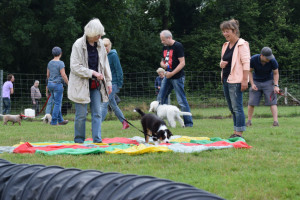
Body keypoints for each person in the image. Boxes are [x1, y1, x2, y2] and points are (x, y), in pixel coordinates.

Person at [68, 18, 112, 143]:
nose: (100, 37)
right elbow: (74, 66)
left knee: (97, 113)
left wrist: (108, 82)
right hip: (81, 85)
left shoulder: (100, 45)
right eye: (98, 34)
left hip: (96, 85)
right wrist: (92, 73)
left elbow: (105, 64)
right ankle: (79, 140)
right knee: (81, 115)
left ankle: (97, 140)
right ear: (91, 33)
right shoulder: (78, 44)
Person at [220, 19, 250, 138]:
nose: (225, 34)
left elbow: (246, 63)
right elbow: (224, 60)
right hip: (226, 80)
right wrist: (221, 64)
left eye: (227, 31)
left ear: (234, 31)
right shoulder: (226, 45)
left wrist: (244, 80)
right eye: (223, 31)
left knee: (237, 108)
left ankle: (239, 133)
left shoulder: (242, 44)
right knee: (232, 108)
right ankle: (235, 132)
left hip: (237, 81)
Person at [157, 30, 193, 127]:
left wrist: (172, 73)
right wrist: (163, 65)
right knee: (160, 98)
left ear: (169, 38)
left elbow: (182, 63)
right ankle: (161, 122)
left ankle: (188, 123)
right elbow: (163, 60)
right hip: (167, 76)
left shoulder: (178, 46)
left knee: (181, 100)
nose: (162, 42)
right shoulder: (164, 47)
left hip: (177, 77)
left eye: (163, 40)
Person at [247, 47, 280, 127]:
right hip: (256, 82)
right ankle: (249, 121)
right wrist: (252, 84)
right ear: (262, 55)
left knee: (272, 102)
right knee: (251, 102)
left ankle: (276, 122)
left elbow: (276, 73)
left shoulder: (272, 60)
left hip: (268, 81)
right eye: (267, 57)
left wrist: (276, 86)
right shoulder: (253, 59)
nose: (269, 59)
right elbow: (249, 71)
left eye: (270, 57)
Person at [100, 38, 129, 129]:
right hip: (106, 83)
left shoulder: (113, 55)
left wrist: (119, 84)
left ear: (109, 46)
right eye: (103, 46)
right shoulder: (102, 56)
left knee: (104, 103)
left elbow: (119, 70)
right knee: (113, 105)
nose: (105, 48)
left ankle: (97, 124)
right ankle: (124, 122)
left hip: (114, 83)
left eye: (106, 46)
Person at [47, 46, 69, 125]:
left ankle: (60, 120)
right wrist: (68, 83)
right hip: (57, 85)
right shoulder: (61, 63)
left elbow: (48, 75)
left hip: (50, 84)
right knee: (57, 103)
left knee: (56, 102)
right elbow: (63, 75)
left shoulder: (50, 62)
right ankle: (53, 122)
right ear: (60, 53)